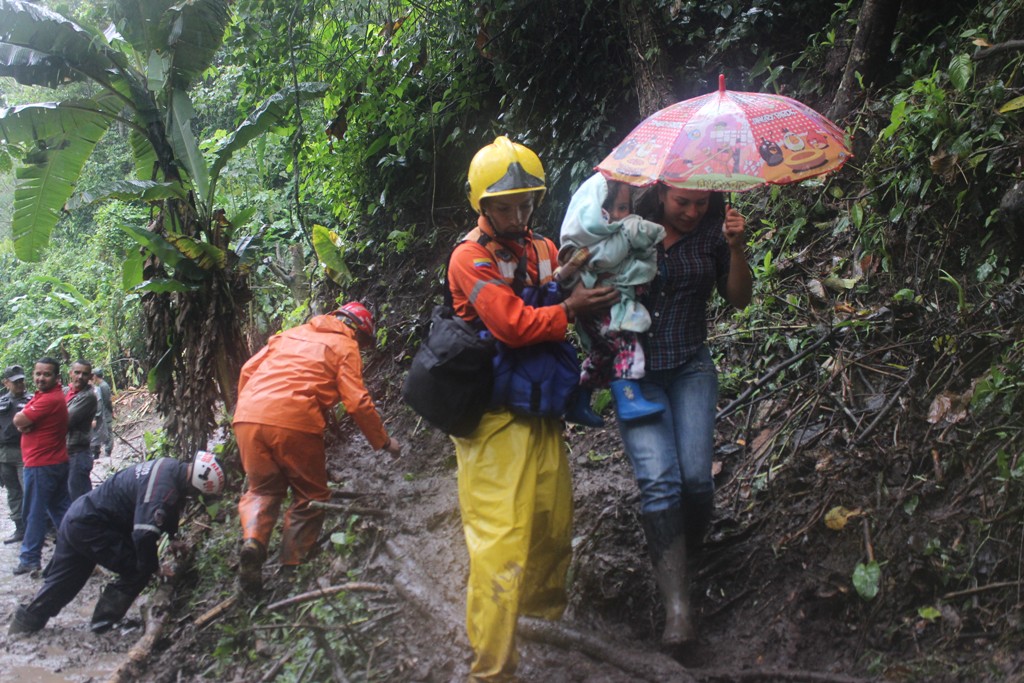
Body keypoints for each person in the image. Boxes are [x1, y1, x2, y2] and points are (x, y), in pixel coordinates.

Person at [447, 136, 618, 681]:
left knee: (550, 526)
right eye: (505, 206)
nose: (518, 215)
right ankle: (491, 669)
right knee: (500, 541)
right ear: (482, 206)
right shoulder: (468, 258)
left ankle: (544, 629)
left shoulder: (542, 247)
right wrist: (569, 307)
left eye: (526, 203)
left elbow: (541, 291)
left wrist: (565, 278)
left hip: (540, 412)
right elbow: (512, 324)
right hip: (492, 420)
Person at [618, 185, 752, 647]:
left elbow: (738, 299)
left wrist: (736, 248)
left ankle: (685, 553)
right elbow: (592, 293)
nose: (693, 212)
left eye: (701, 203)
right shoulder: (629, 231)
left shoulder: (715, 231)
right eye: (683, 203)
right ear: (661, 195)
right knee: (660, 481)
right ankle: (678, 611)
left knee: (696, 481)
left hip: (691, 365)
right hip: (635, 372)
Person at [233, 302, 402, 593]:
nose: (360, 347)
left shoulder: (289, 334)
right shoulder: (343, 346)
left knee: (261, 489)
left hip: (247, 417)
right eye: (362, 341)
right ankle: (292, 564)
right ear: (357, 332)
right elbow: (358, 403)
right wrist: (383, 441)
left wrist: (252, 409)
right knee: (310, 494)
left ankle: (254, 541)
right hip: (293, 419)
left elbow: (248, 370)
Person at [8, 451, 226, 636]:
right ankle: (104, 624)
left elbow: (168, 506)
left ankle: (24, 624)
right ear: (196, 484)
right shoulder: (162, 490)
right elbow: (143, 535)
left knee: (62, 583)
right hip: (92, 527)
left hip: (79, 517)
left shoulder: (171, 468)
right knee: (139, 569)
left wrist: (173, 537)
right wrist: (155, 568)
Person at [558, 172, 667, 426]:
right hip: (603, 308)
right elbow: (607, 256)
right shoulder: (592, 242)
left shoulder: (605, 237)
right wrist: (638, 233)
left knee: (602, 354)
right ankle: (629, 398)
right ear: (598, 212)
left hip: (601, 308)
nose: (621, 215)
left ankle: (579, 401)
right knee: (626, 344)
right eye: (615, 208)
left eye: (625, 208)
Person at [13, 357, 71, 576]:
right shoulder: (46, 396)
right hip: (53, 462)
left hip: (41, 464)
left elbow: (18, 420)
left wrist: (24, 423)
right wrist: (24, 422)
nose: (40, 378)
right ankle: (80, 549)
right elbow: (21, 419)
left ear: (56, 377)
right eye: (37, 373)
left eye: (46, 374)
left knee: (34, 513)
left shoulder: (49, 400)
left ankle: (29, 558)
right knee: (61, 511)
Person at [1, 365, 32, 544]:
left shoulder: (32, 400)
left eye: (21, 380)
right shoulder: (1, 402)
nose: (20, 384)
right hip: (4, 454)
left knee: (29, 491)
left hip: (25, 452)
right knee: (13, 492)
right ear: (6, 383)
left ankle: (34, 528)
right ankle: (20, 528)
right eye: (15, 382)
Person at [65, 360, 98, 500]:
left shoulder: (88, 396)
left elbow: (65, 421)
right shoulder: (65, 391)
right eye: (77, 372)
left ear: (90, 377)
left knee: (79, 499)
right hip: (64, 452)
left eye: (84, 374)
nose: (80, 377)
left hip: (77, 453)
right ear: (70, 373)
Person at [90, 368, 114, 460]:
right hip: (103, 412)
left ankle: (108, 451)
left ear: (95, 376)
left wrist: (111, 412)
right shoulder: (100, 386)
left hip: (106, 412)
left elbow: (107, 401)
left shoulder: (103, 386)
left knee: (108, 431)